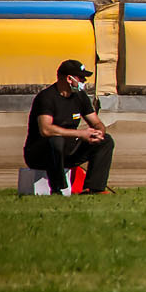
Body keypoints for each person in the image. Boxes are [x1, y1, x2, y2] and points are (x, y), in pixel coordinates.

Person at [25, 59, 113, 194]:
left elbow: (96, 122)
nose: (84, 81)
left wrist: (99, 132)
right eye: (81, 78)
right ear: (69, 79)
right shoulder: (46, 97)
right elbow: (46, 129)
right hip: (41, 154)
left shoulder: (79, 96)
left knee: (105, 140)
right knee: (56, 140)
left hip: (68, 152)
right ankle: (58, 188)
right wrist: (81, 134)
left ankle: (94, 188)